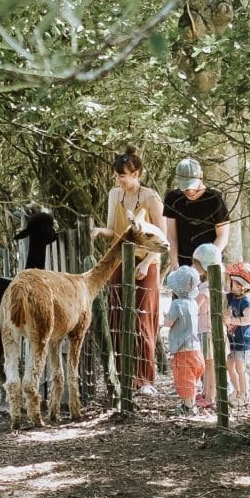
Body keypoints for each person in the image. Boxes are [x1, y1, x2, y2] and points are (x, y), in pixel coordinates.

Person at [92, 145, 167, 396]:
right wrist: (98, 231)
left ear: (137, 174)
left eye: (123, 175)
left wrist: (146, 263)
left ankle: (145, 379)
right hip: (120, 261)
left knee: (142, 319)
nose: (119, 180)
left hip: (146, 264)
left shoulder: (151, 198)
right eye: (117, 175)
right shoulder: (115, 195)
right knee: (116, 316)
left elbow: (162, 239)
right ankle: (124, 375)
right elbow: (114, 231)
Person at [163, 157, 230, 272]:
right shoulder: (172, 198)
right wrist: (174, 260)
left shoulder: (215, 198)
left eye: (193, 186)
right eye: (185, 187)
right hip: (182, 265)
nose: (190, 191)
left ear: (201, 177)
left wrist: (204, 262)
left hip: (210, 264)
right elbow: (171, 234)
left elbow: (222, 236)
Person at [162, 265, 205, 416]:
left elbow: (169, 322)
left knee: (184, 379)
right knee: (192, 378)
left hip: (182, 348)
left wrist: (164, 318)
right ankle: (189, 404)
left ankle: (189, 407)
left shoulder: (177, 304)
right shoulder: (193, 303)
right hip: (196, 349)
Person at [191, 242, 223, 410]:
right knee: (208, 363)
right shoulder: (215, 284)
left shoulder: (205, 287)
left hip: (207, 330)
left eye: (197, 265)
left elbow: (195, 305)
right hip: (208, 329)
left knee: (209, 364)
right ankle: (206, 392)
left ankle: (210, 395)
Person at [225, 261, 250, 407]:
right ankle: (236, 390)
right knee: (230, 365)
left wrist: (231, 320)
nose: (231, 285)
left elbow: (247, 320)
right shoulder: (232, 297)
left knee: (240, 369)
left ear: (242, 286)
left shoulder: (246, 301)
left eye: (234, 283)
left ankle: (244, 394)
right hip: (233, 342)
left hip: (244, 342)